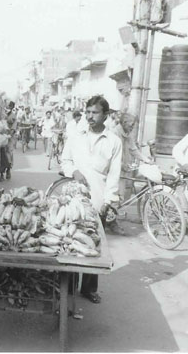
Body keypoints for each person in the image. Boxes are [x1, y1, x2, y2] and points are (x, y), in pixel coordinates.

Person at [61, 95, 123, 304]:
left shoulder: (114, 141)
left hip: (97, 199)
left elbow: (114, 174)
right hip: (72, 200)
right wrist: (74, 171)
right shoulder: (76, 135)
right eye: (87, 112)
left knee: (92, 245)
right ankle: (66, 289)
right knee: (69, 244)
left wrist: (109, 200)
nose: (89, 116)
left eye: (94, 112)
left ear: (105, 115)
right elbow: (65, 161)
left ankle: (88, 288)